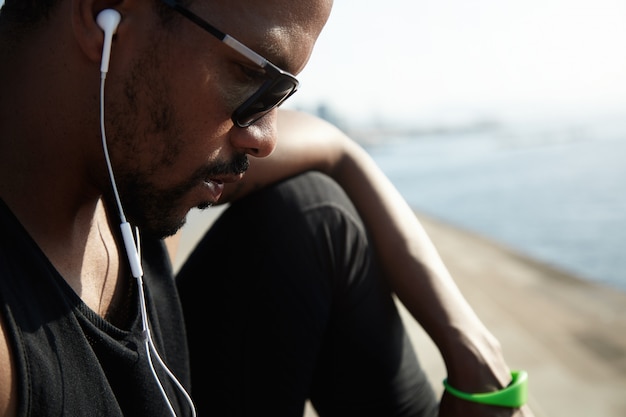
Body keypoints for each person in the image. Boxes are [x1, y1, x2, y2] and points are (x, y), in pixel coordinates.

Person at [0, 0, 534, 416]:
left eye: (282, 94)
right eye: (253, 76)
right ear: (104, 17)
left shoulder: (129, 175)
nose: (265, 138)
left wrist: (470, 346)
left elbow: (337, 150)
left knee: (315, 214)